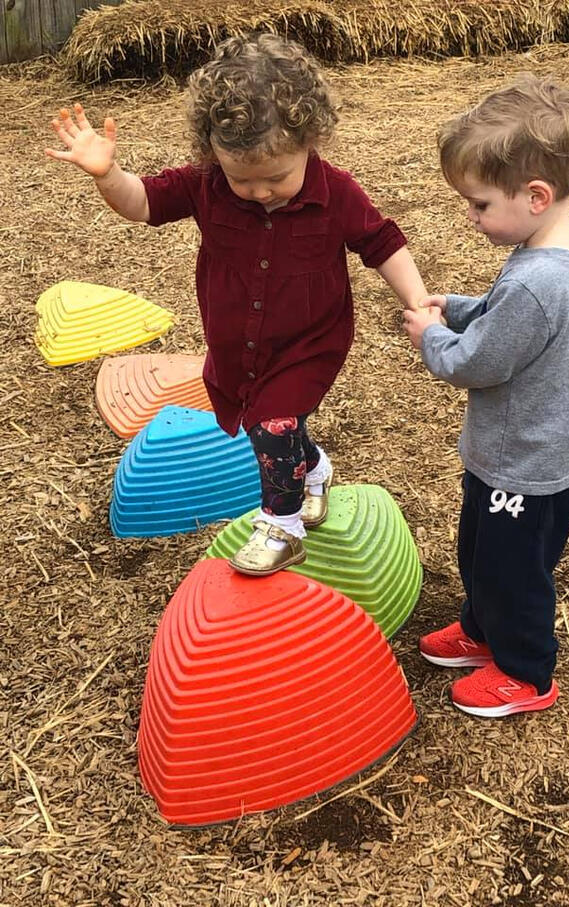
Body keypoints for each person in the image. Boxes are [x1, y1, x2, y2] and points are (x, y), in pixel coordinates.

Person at [47, 33, 426, 576]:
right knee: (265, 423)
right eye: (242, 178)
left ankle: (283, 526)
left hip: (309, 341)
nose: (260, 191)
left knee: (273, 421)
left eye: (275, 177)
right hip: (236, 345)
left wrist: (416, 299)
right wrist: (107, 174)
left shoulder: (336, 191)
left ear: (311, 140)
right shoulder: (205, 185)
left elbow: (382, 242)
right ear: (212, 153)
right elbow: (143, 203)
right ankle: (313, 470)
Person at [403, 74, 569, 718]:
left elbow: (481, 361)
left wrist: (434, 336)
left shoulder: (539, 282)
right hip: (516, 456)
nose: (472, 216)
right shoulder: (556, 255)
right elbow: (502, 318)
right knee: (482, 551)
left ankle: (526, 672)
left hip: (524, 466)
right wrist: (457, 308)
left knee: (514, 572)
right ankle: (483, 632)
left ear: (534, 196)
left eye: (480, 204)